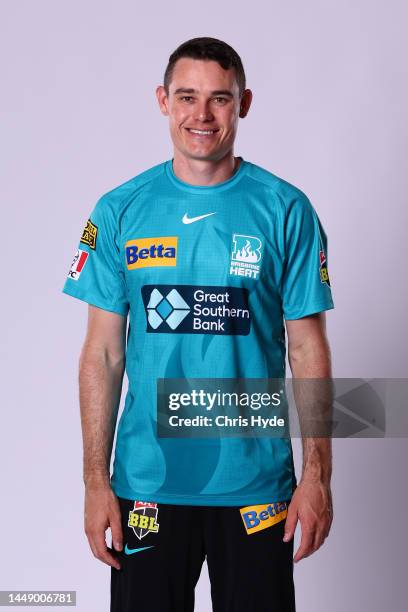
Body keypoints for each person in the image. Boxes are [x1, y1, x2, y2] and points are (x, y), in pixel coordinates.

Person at [62, 37, 334, 612]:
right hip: (146, 485)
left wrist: (317, 476)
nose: (202, 115)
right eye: (187, 97)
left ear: (245, 103)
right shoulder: (119, 210)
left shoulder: (286, 209)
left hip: (257, 488)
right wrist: (94, 481)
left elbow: (307, 351)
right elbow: (103, 356)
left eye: (220, 99)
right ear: (162, 100)